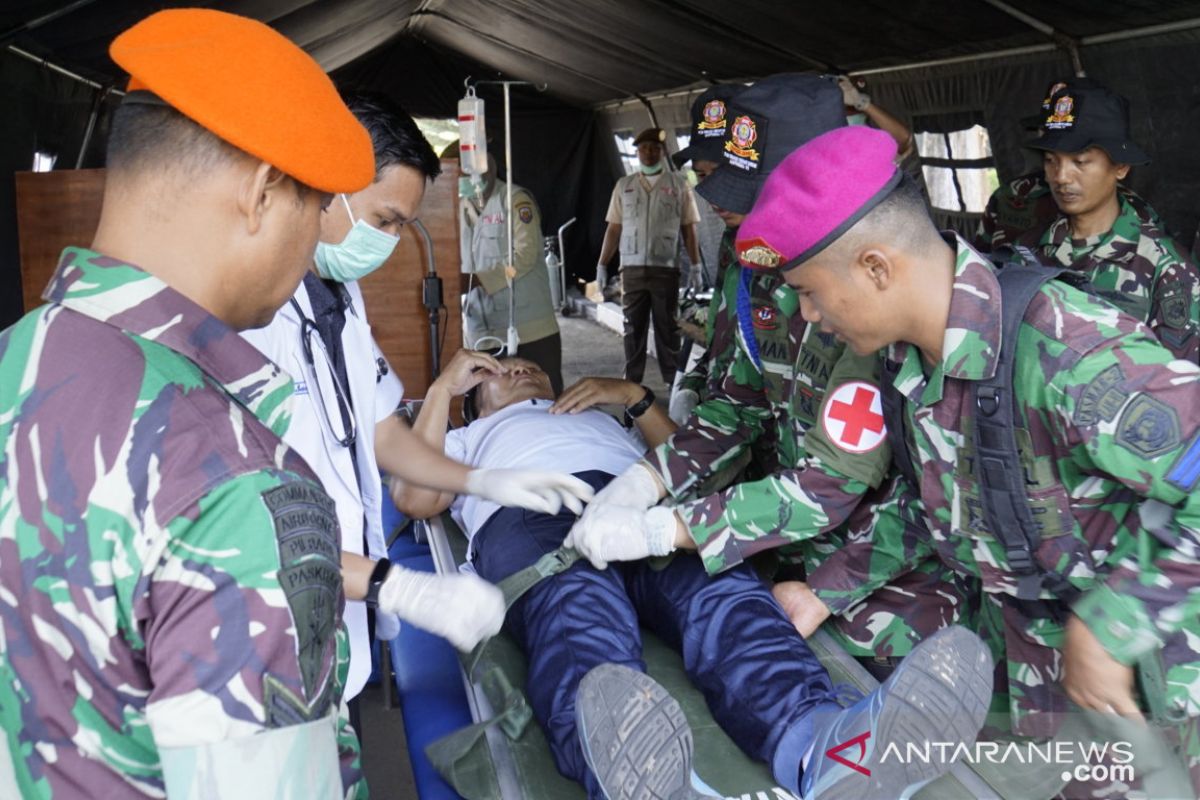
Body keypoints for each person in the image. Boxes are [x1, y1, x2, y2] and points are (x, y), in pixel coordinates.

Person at [733, 124, 1200, 792]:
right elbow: (934, 502)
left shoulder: (1066, 352)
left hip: (1155, 667)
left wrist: (1112, 625)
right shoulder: (907, 360)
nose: (807, 316)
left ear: (875, 267)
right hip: (1041, 651)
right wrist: (825, 589)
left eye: (809, 290)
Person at [0, 9, 376, 797]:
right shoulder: (231, 477)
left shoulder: (17, 355)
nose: (313, 248)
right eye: (314, 211)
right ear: (263, 191)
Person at [392, 351, 993, 800]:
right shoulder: (467, 438)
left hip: (640, 508)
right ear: (474, 398)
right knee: (575, 610)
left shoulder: (603, 419)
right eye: (498, 369)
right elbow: (416, 496)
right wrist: (445, 388)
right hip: (529, 516)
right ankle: (629, 765)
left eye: (529, 366)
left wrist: (629, 397)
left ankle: (824, 748)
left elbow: (692, 452)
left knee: (724, 591)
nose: (518, 370)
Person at [575, 74, 973, 681]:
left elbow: (834, 479)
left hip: (892, 594)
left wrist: (666, 529)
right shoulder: (761, 273)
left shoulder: (875, 306)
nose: (721, 204)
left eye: (750, 190)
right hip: (794, 558)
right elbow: (737, 403)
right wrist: (645, 480)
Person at [241, 94, 591, 731]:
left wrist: (480, 481)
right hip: (269, 635)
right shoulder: (246, 318)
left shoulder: (341, 296)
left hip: (334, 603)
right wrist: (397, 586)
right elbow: (242, 523)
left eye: (401, 224)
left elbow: (378, 430)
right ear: (328, 189)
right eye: (386, 218)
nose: (394, 240)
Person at [1019, 81, 1199, 362]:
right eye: (1051, 160)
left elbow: (1183, 386)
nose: (1061, 176)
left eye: (1080, 161)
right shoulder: (1027, 251)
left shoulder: (1167, 268)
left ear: (1120, 167)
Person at [598, 128, 702, 385]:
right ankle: (632, 383)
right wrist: (602, 264)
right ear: (637, 151)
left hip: (664, 269)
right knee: (633, 328)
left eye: (654, 148)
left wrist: (697, 265)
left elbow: (689, 228)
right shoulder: (625, 186)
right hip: (631, 269)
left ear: (663, 151)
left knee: (668, 328)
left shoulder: (678, 185)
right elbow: (614, 228)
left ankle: (672, 383)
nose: (648, 153)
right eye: (643, 148)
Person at [461, 153, 563, 391]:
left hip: (529, 327)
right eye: (462, 172)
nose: (466, 176)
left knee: (544, 398)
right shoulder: (457, 207)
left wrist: (477, 280)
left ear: (489, 170)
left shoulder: (514, 200)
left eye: (473, 170)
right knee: (489, 403)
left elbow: (525, 255)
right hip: (482, 330)